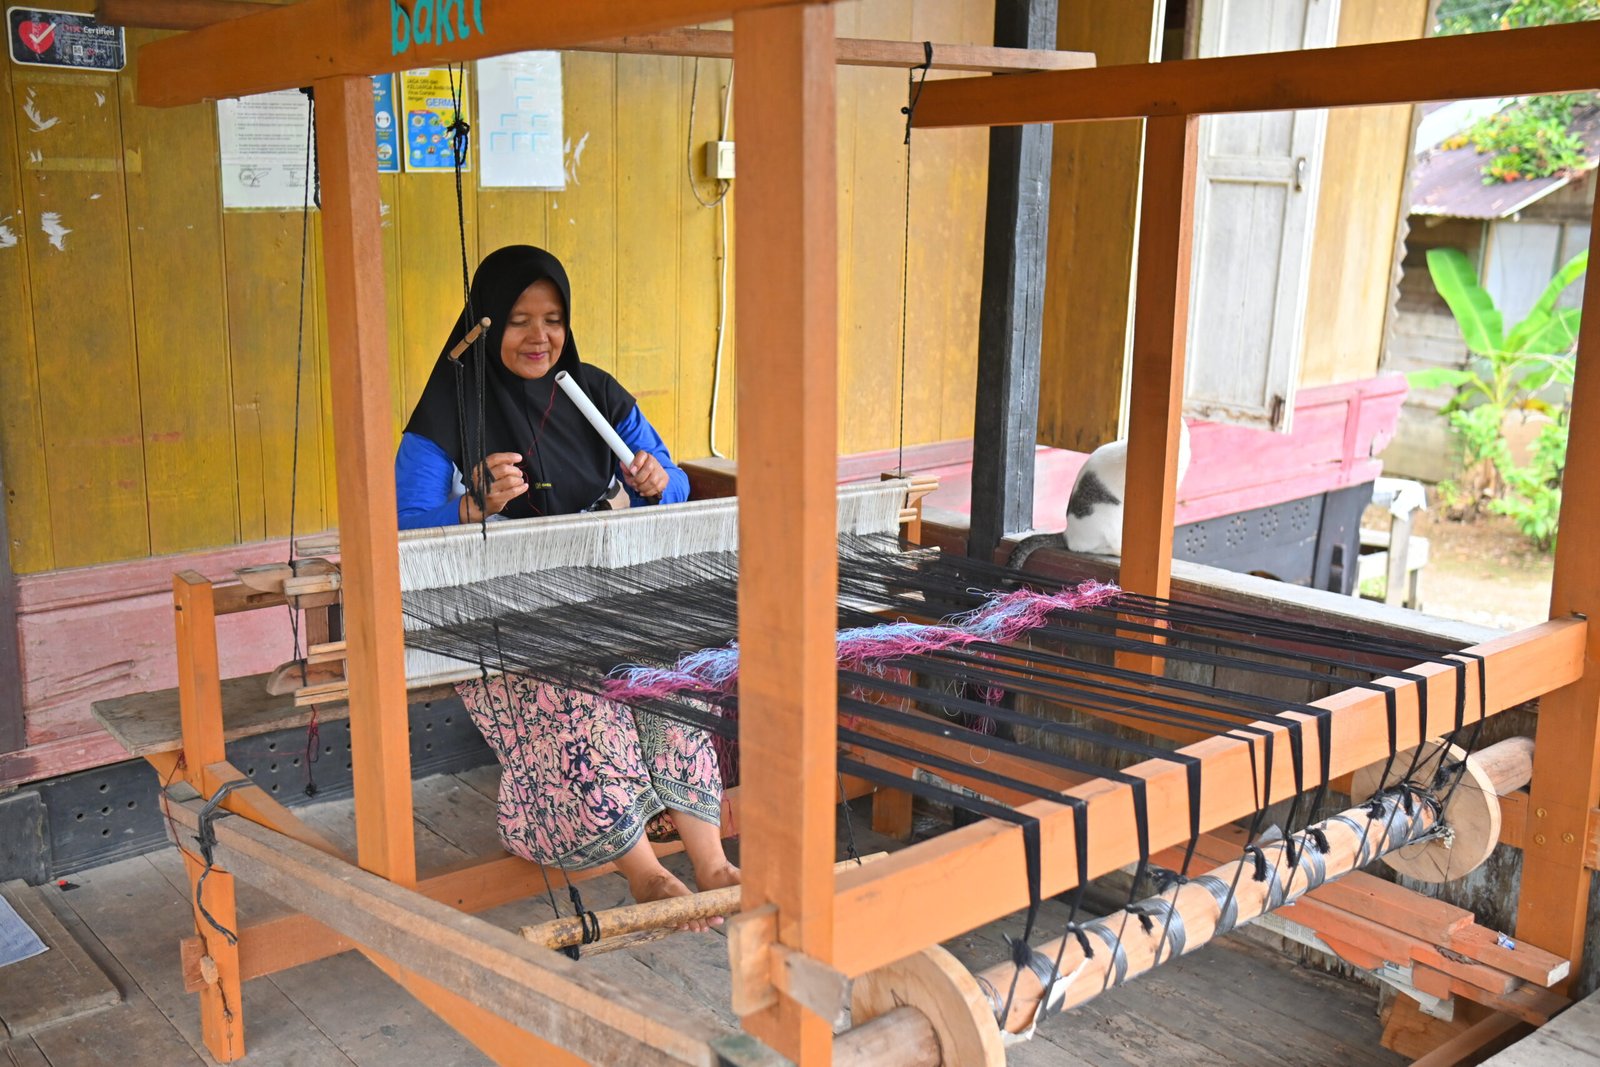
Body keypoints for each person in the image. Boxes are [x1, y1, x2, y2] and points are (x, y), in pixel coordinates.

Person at [395, 245, 737, 923]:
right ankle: (643, 872)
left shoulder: (596, 395)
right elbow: (403, 527)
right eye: (518, 319)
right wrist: (470, 507)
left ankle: (713, 860)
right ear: (486, 322)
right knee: (577, 702)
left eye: (552, 319)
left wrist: (656, 482)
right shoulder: (446, 415)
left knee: (663, 685)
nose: (539, 336)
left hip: (606, 604)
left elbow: (674, 482)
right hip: (499, 616)